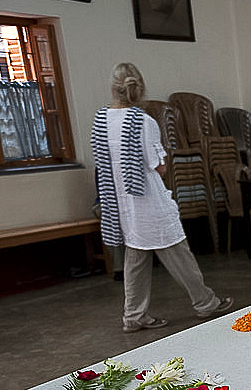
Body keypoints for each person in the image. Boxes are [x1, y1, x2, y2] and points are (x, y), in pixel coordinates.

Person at [91, 62, 232, 333]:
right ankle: (205, 302)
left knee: (136, 260)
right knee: (179, 254)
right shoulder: (142, 121)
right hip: (148, 200)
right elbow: (159, 166)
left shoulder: (101, 119)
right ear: (140, 88)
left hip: (122, 202)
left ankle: (133, 315)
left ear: (113, 88)